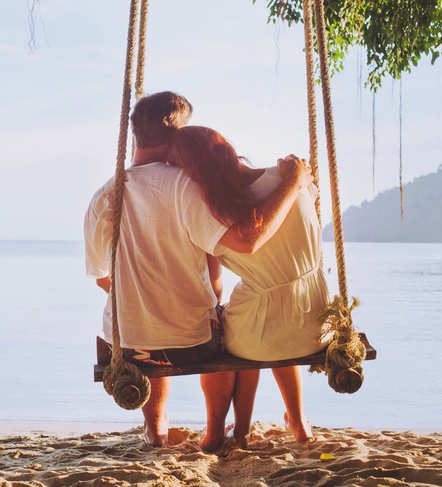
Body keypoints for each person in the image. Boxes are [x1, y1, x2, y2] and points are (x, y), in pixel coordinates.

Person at [84, 91, 314, 447]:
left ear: (135, 135)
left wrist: (143, 299)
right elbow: (238, 246)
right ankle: (215, 431)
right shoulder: (187, 189)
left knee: (155, 328)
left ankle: (156, 428)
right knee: (224, 333)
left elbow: (101, 276)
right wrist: (290, 182)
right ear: (178, 133)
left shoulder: (104, 196)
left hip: (130, 345)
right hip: (193, 344)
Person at [168, 125, 331, 448]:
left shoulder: (213, 216)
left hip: (262, 333)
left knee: (235, 330)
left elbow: (214, 287)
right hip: (317, 323)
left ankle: (231, 431)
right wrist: (294, 180)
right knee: (267, 317)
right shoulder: (295, 180)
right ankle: (298, 422)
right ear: (228, 148)